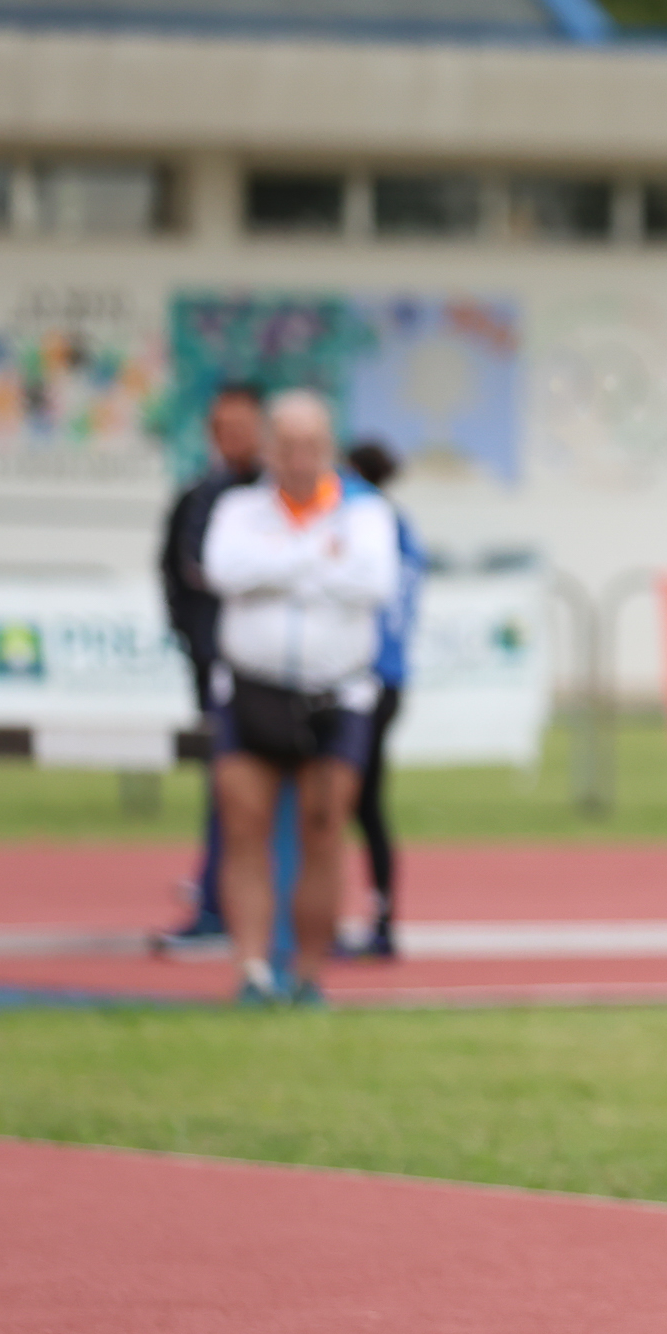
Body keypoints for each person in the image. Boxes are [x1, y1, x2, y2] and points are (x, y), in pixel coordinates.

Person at [202, 389, 399, 1006]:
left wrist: (277, 567)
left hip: (334, 693)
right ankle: (253, 970)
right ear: (268, 448)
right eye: (286, 445)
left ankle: (309, 974)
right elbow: (225, 571)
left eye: (310, 445)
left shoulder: (365, 516)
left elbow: (373, 581)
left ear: (328, 448)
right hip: (252, 688)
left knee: (324, 831)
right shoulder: (238, 509)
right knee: (245, 828)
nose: (298, 457)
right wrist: (315, 560)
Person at [155, 382, 266, 945]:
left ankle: (279, 915)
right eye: (223, 428)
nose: (233, 438)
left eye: (242, 426)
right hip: (219, 672)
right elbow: (178, 575)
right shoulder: (198, 498)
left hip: (283, 677)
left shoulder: (287, 498)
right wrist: (199, 646)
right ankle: (216, 906)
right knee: (227, 787)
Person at [340, 440, 423, 961]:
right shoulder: (402, 525)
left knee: (342, 800)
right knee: (366, 802)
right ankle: (382, 917)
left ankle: (363, 920)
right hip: (390, 676)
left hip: (361, 675)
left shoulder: (361, 520)